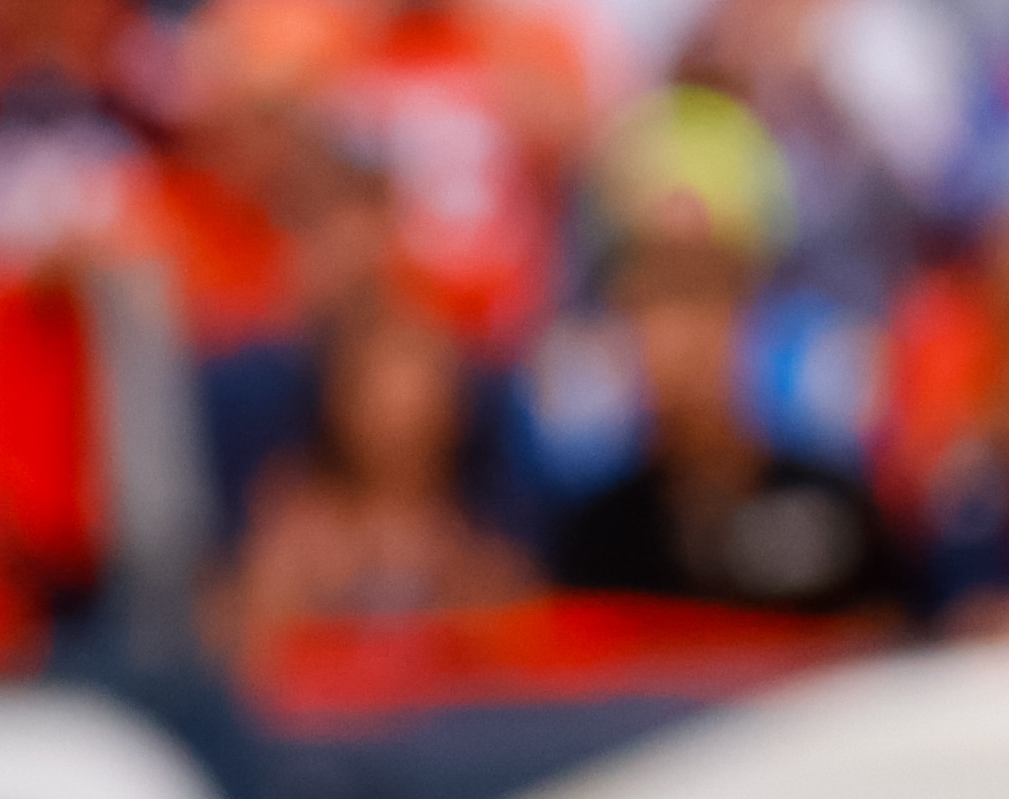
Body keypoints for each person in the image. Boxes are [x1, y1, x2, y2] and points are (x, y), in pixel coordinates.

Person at [548, 89, 914, 619]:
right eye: (660, 296)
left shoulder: (834, 513)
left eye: (708, 290)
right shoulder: (595, 540)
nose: (688, 329)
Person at [212, 285, 533, 656]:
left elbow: (524, 645)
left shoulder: (480, 545)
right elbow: (238, 644)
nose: (402, 417)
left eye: (423, 387)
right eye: (381, 389)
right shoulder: (296, 525)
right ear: (340, 403)